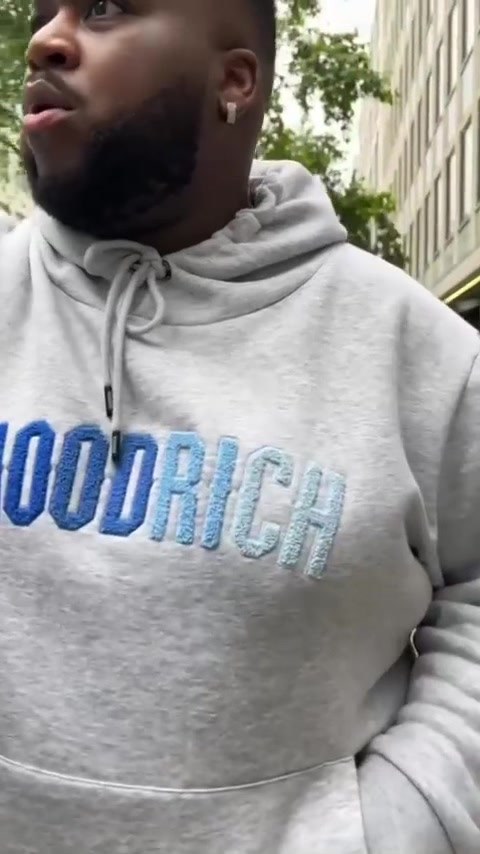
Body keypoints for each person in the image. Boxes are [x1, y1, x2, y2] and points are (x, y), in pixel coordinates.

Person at [0, 0, 478, 851]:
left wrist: (405, 823)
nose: (45, 39)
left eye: (104, 9)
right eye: (45, 11)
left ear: (234, 81)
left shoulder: (424, 356)